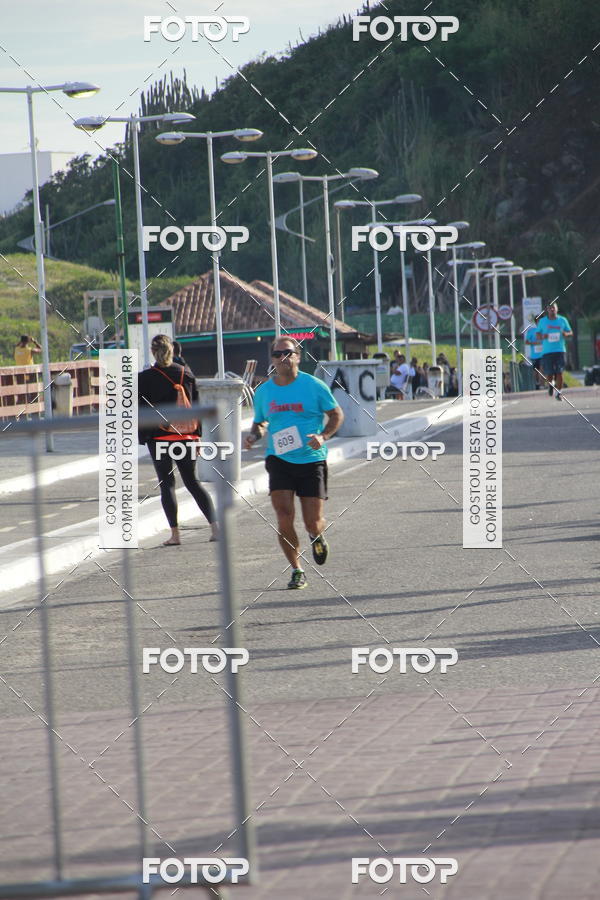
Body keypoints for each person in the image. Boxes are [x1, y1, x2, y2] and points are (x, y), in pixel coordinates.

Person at [243, 336, 344, 589]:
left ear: (297, 356)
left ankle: (316, 535)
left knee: (312, 521)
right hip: (279, 460)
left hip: (311, 460)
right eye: (277, 354)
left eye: (287, 353)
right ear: (272, 359)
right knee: (283, 515)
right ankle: (297, 569)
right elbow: (260, 421)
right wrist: (254, 435)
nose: (282, 358)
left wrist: (323, 436)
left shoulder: (314, 386)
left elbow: (336, 414)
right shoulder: (265, 391)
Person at [138, 333, 218, 545]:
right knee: (192, 482)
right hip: (186, 437)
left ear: (153, 352)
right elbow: (196, 406)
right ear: (173, 351)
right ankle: (215, 529)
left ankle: (175, 535)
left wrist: (144, 437)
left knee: (167, 485)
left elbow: (140, 411)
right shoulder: (186, 374)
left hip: (159, 438)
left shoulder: (144, 378)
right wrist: (197, 436)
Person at [536, 302, 573, 400]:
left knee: (559, 372)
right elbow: (537, 335)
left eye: (553, 308)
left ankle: (559, 393)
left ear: (557, 309)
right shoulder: (542, 321)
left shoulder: (562, 320)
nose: (552, 310)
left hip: (560, 350)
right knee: (549, 374)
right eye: (550, 308)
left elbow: (570, 332)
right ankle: (551, 385)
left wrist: (566, 334)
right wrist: (543, 336)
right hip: (547, 352)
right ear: (547, 310)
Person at [524, 314, 543, 389]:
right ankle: (537, 383)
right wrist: (534, 343)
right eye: (539, 321)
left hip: (544, 354)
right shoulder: (531, 331)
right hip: (535, 355)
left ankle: (542, 385)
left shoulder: (545, 329)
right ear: (536, 321)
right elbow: (526, 342)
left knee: (542, 369)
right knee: (536, 371)